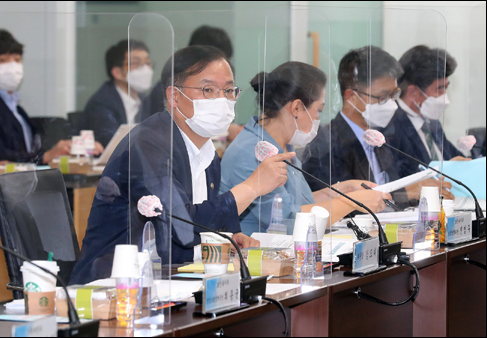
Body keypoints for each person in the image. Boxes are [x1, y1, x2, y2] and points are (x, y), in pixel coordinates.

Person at [70, 46, 292, 283]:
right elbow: (181, 225)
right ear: (175, 97)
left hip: (175, 277)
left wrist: (228, 237)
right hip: (114, 285)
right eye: (208, 90)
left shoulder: (206, 149)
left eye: (228, 90)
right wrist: (251, 187)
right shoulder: (148, 145)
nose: (221, 100)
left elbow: (200, 223)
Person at [221, 62, 391, 235]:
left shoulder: (282, 145)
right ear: (296, 108)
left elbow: (300, 204)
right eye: (318, 110)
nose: (318, 119)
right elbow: (288, 220)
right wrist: (352, 202)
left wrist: (344, 190)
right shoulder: (251, 151)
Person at [303, 46, 453, 205]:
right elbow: (338, 207)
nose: (391, 104)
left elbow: (398, 189)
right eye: (382, 97)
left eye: (393, 94)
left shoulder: (383, 136)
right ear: (352, 97)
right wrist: (405, 193)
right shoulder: (327, 143)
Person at [0, 28, 74, 168]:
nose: (12, 66)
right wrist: (46, 156)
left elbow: (31, 149)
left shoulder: (18, 109)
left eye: (17, 60)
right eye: (2, 60)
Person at [383, 45, 467, 178]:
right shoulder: (391, 128)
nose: (444, 96)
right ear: (413, 93)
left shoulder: (432, 123)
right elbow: (402, 181)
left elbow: (456, 158)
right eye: (439, 88)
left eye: (446, 88)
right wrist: (449, 170)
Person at [81, 39, 153, 148]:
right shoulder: (102, 102)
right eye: (136, 63)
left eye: (147, 63)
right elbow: (111, 143)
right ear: (117, 73)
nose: (145, 69)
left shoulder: (145, 100)